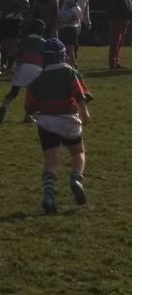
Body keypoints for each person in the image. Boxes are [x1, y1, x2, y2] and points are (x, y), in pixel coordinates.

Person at [24, 38, 93, 214]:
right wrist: (84, 111)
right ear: (63, 55)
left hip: (46, 123)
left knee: (50, 162)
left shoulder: (38, 80)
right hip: (69, 120)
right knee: (78, 153)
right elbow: (79, 93)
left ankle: (48, 196)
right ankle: (76, 179)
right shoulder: (70, 72)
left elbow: (29, 106)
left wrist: (32, 110)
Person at [0, 18, 46, 124]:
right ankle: (28, 115)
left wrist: (12, 64)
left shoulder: (24, 40)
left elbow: (12, 54)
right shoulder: (44, 43)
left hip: (22, 67)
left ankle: (4, 105)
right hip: (37, 69)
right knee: (36, 95)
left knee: (14, 92)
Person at [0, 0, 30, 71]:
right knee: (3, 44)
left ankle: (11, 64)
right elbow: (0, 6)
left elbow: (26, 5)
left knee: (13, 43)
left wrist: (12, 0)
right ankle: (3, 64)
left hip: (15, 21)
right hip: (4, 20)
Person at [58, 0, 91, 68]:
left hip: (77, 24)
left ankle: (72, 62)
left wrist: (88, 22)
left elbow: (86, 10)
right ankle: (68, 62)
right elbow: (63, 11)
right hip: (67, 25)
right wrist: (69, 18)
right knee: (68, 45)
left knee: (74, 44)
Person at [105, 0, 131, 69]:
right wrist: (119, 15)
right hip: (117, 18)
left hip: (124, 17)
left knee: (120, 40)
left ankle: (116, 60)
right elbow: (114, 4)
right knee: (116, 40)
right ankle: (113, 61)